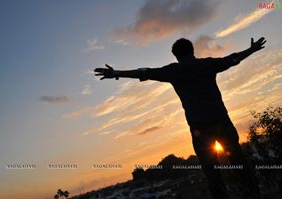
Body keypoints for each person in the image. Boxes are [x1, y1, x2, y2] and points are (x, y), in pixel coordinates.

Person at [94, 37, 266, 199]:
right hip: (222, 123)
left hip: (200, 130)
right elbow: (233, 59)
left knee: (212, 175)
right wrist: (252, 49)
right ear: (192, 50)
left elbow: (144, 72)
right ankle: (253, 195)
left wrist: (116, 72)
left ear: (176, 56)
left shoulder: (173, 71)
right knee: (240, 164)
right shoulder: (207, 64)